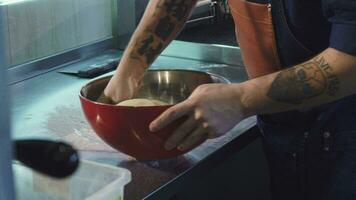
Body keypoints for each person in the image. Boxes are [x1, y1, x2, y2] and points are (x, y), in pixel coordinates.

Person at [99, 0, 356, 199]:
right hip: (282, 122)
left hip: (344, 131)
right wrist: (130, 70)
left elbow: (352, 61)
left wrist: (241, 99)